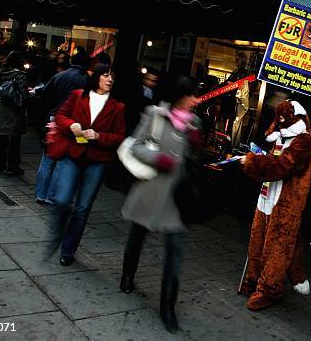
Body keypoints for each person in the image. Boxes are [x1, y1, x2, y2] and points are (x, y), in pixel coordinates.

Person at [120, 75, 202, 333]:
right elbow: (135, 146)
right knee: (137, 237)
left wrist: (197, 145)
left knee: (175, 254)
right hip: (151, 190)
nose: (196, 100)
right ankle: (127, 274)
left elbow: (192, 158)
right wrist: (159, 159)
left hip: (177, 199)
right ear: (180, 96)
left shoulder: (195, 123)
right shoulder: (155, 115)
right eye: (192, 95)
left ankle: (168, 307)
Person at [237, 100, 311, 311]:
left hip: (285, 204)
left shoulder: (304, 142)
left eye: (283, 119)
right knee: (257, 242)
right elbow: (274, 160)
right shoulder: (281, 138)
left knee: (278, 249)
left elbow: (283, 166)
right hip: (267, 197)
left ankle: (270, 290)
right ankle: (252, 281)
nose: (279, 123)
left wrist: (254, 163)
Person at [46, 64, 125, 266]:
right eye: (106, 75)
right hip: (73, 153)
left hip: (97, 161)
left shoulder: (117, 107)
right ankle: (59, 229)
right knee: (62, 200)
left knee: (82, 208)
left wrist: (99, 136)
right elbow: (61, 115)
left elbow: (119, 136)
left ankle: (67, 250)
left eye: (112, 77)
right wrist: (70, 125)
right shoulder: (77, 95)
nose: (109, 80)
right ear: (97, 77)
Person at [35, 51, 90, 204]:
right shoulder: (86, 79)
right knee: (62, 161)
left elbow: (45, 92)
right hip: (72, 124)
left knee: (47, 159)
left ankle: (40, 194)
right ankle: (52, 196)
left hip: (53, 119)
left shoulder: (59, 76)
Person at [0, 51, 28, 175]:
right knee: (14, 140)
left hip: (3, 107)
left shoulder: (2, 72)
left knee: (2, 138)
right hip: (15, 110)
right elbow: (23, 94)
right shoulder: (20, 75)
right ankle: (13, 166)